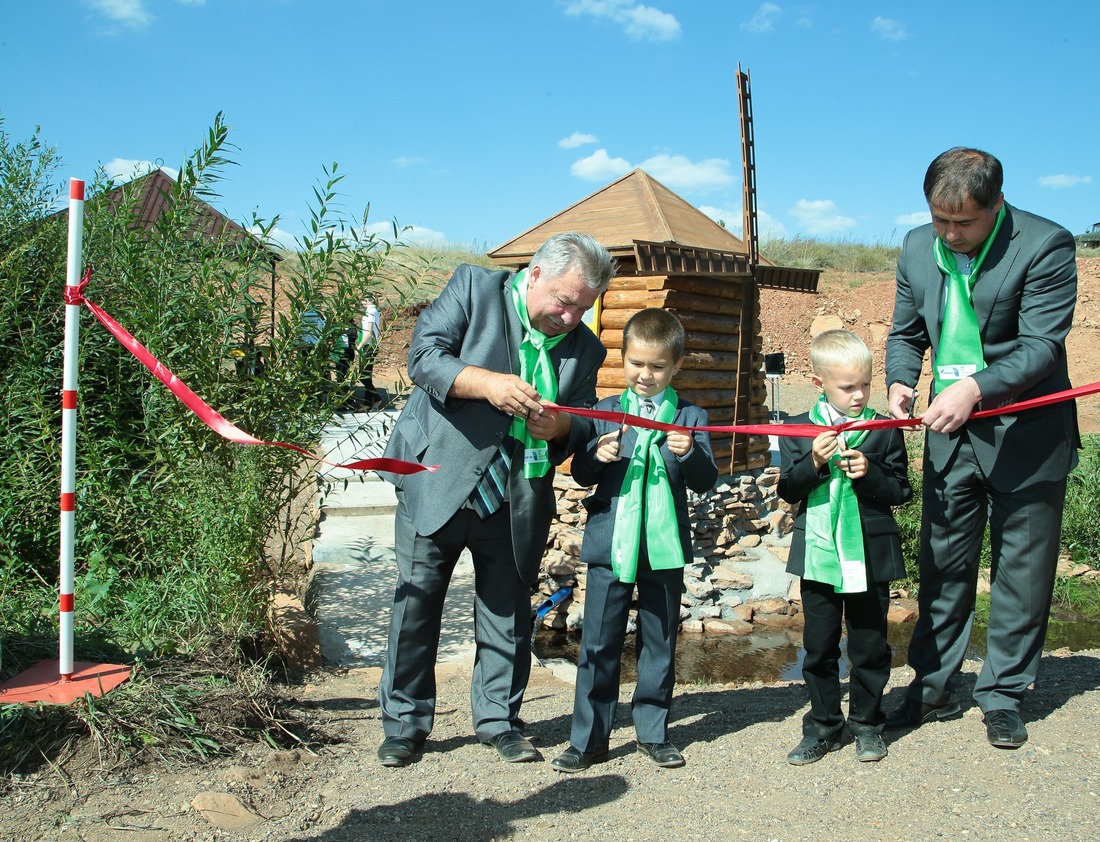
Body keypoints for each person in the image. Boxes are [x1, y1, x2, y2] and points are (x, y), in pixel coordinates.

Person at [376, 231, 616, 767]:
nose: (572, 318)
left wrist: (558, 425)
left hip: (516, 495)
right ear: (534, 275)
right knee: (416, 607)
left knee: (506, 612)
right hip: (435, 477)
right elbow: (424, 357)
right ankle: (405, 724)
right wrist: (484, 382)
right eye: (564, 301)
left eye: (584, 308)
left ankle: (499, 720)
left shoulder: (587, 348)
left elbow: (578, 426)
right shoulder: (473, 288)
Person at [884, 147, 1080, 748]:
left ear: (996, 206)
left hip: (1026, 434)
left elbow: (1041, 346)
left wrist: (973, 387)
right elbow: (906, 330)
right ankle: (934, 684)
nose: (949, 234)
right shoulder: (918, 247)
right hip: (950, 434)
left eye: (963, 223)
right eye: (940, 220)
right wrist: (899, 379)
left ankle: (1004, 694)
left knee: (1021, 570)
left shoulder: (1046, 245)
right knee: (943, 564)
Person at [550, 308, 718, 773]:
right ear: (622, 359)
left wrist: (688, 454)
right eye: (636, 363)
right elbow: (581, 473)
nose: (645, 375)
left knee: (659, 640)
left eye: (657, 366)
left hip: (663, 548)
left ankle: (653, 733)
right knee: (599, 643)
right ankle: (589, 740)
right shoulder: (604, 412)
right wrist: (597, 456)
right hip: (610, 544)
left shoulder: (690, 416)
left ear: (676, 366)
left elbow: (705, 480)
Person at [777, 330, 911, 765]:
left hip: (870, 557)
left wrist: (870, 473)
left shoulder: (883, 430)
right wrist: (814, 461)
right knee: (819, 646)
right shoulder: (798, 428)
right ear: (819, 384)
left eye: (865, 385)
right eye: (847, 387)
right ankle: (824, 726)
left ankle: (869, 725)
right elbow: (787, 488)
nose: (859, 396)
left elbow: (901, 491)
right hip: (818, 555)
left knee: (870, 644)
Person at [358, 296, 383, 408]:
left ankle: (377, 399)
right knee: (366, 375)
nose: (361, 303)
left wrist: (359, 346)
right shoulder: (374, 312)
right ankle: (367, 403)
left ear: (367, 301)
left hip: (368, 346)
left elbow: (368, 332)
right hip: (371, 345)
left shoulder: (370, 313)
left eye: (363, 300)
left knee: (363, 375)